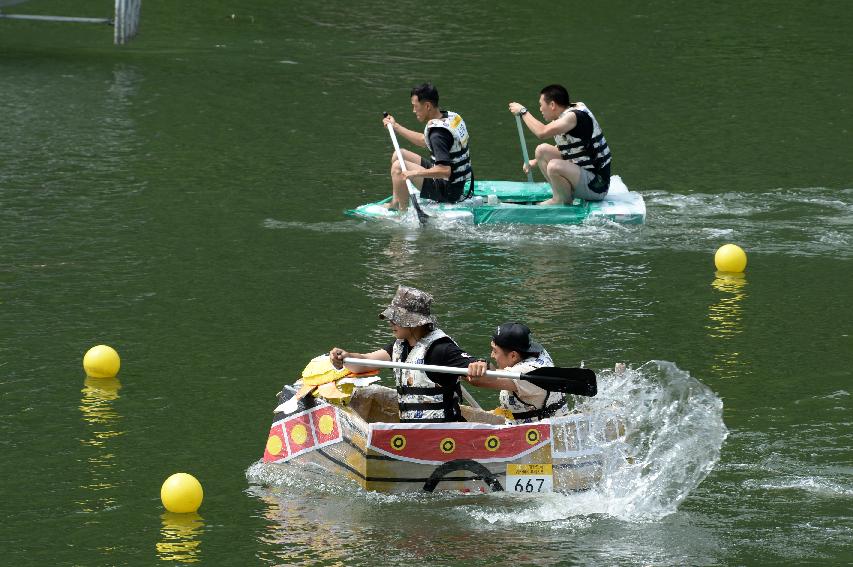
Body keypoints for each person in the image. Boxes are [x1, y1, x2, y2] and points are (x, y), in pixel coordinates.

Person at [329, 285, 481, 423]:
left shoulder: (441, 349)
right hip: (411, 435)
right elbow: (365, 362)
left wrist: (479, 364)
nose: (391, 322)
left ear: (414, 322)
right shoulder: (399, 347)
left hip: (444, 436)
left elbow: (480, 366)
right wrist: (345, 357)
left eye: (396, 318)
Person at [509, 84, 612, 205]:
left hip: (597, 186)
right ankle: (560, 195)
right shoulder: (565, 115)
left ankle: (561, 200)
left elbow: (541, 132)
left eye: (541, 105)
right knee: (541, 151)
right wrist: (535, 161)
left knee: (554, 166)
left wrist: (523, 112)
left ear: (552, 105)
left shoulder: (572, 117)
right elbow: (571, 147)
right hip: (582, 175)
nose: (540, 109)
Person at [381, 83, 473, 211]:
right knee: (399, 154)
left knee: (398, 166)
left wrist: (415, 173)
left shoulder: (438, 135)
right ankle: (397, 199)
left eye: (415, 106)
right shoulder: (450, 117)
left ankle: (402, 212)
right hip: (453, 183)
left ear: (428, 106)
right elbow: (423, 140)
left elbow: (445, 171)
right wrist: (395, 126)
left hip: (448, 190)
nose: (413, 111)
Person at [465, 322, 570, 425]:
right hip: (513, 419)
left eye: (495, 351)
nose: (492, 355)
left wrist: (481, 365)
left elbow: (479, 380)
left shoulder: (527, 374)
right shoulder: (539, 353)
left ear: (513, 356)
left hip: (537, 436)